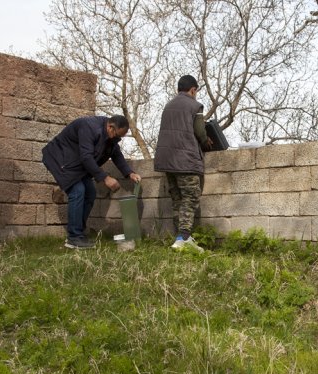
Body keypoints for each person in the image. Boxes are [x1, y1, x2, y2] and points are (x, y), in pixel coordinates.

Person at [42, 115, 141, 249]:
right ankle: (74, 238)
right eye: (118, 136)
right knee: (78, 191)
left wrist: (130, 173)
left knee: (90, 192)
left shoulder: (110, 136)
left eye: (120, 138)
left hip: (77, 164)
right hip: (60, 160)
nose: (118, 139)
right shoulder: (89, 127)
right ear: (110, 127)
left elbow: (116, 154)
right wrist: (105, 178)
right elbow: (86, 156)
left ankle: (79, 233)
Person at [153, 75, 212, 251]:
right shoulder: (195, 106)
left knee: (177, 199)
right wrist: (206, 141)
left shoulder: (168, 106)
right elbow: (200, 132)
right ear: (193, 90)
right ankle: (185, 237)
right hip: (186, 160)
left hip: (166, 159)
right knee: (191, 196)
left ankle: (179, 239)